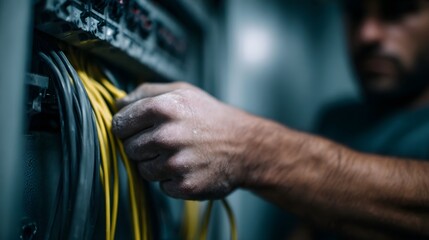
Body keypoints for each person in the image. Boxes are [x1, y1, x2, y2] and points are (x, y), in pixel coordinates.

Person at [112, 0, 429, 238]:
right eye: (355, 13)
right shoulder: (339, 122)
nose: (367, 33)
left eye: (397, 10)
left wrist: (248, 149)